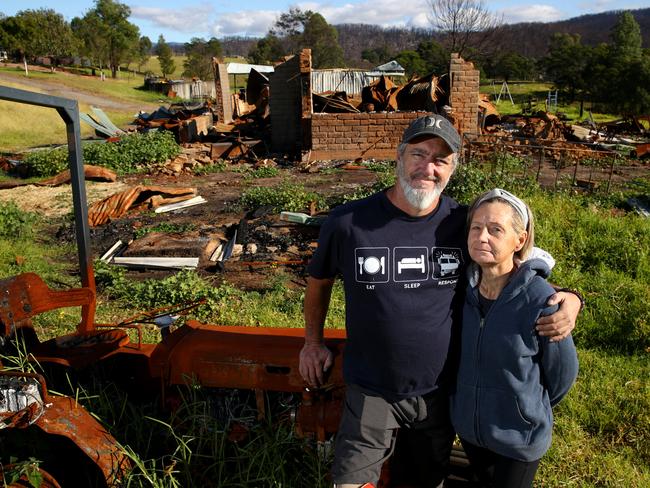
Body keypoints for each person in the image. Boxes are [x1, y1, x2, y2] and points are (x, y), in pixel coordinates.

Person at [298, 114, 582, 488]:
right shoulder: (349, 222)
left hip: (439, 394)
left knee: (422, 480)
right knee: (350, 481)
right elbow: (319, 283)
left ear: (452, 169)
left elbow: (515, 259)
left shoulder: (463, 222)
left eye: (441, 159)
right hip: (372, 389)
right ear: (399, 157)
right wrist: (313, 342)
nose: (427, 168)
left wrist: (570, 298)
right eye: (419, 154)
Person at [450, 189, 579, 487]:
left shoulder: (541, 300)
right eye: (476, 228)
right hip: (471, 431)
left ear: (519, 241)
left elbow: (562, 374)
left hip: (518, 438)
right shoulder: (461, 290)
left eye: (496, 230)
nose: (482, 237)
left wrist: (524, 409)